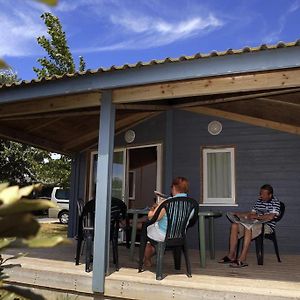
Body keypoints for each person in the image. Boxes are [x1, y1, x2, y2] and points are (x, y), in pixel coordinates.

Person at [219, 184, 281, 268]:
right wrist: (238, 214)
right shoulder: (259, 201)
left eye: (263, 194)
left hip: (266, 226)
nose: (260, 195)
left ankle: (242, 259)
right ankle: (231, 256)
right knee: (234, 225)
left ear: (270, 195)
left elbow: (270, 216)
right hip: (254, 223)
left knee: (248, 226)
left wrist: (256, 217)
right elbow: (251, 214)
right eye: (260, 193)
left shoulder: (275, 202)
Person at [143, 176, 190, 267]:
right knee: (154, 232)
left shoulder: (168, 202)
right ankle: (154, 249)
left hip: (163, 234)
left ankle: (147, 256)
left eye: (171, 187)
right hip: (180, 235)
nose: (171, 189)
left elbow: (151, 218)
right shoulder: (190, 203)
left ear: (174, 187)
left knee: (147, 228)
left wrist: (154, 208)